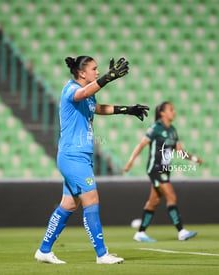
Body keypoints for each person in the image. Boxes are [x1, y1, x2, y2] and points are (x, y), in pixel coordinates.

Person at [34, 56, 149, 264]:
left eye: (98, 70)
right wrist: (108, 77)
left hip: (80, 157)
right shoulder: (70, 90)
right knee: (92, 199)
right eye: (94, 69)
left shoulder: (87, 95)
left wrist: (127, 109)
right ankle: (102, 254)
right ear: (82, 73)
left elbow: (97, 107)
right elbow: (84, 93)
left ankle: (44, 250)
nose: (97, 72)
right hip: (72, 156)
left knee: (68, 205)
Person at [124, 101, 203, 242]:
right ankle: (181, 231)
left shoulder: (172, 130)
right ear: (162, 113)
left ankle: (140, 233)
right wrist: (130, 161)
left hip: (165, 169)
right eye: (171, 109)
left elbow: (180, 152)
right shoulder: (155, 128)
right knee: (171, 197)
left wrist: (194, 158)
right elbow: (141, 145)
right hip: (156, 168)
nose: (174, 112)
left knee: (153, 202)